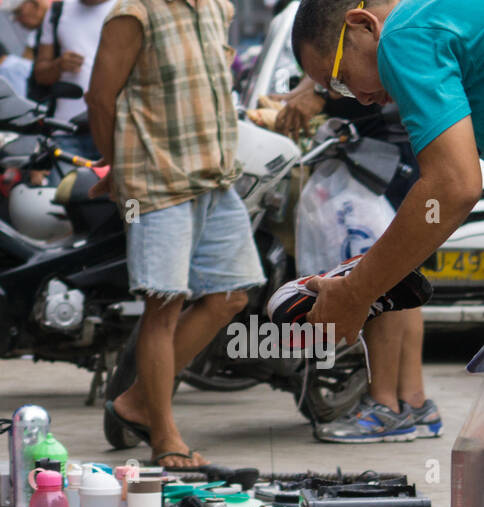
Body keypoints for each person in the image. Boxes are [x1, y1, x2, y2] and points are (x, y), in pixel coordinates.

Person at [88, 0, 265, 469]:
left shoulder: (215, 6)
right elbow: (100, 99)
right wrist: (115, 168)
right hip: (157, 181)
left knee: (230, 297)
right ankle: (163, 434)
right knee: (163, 307)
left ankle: (139, 402)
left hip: (216, 177)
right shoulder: (133, 13)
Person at [290, 0, 482, 416]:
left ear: (362, 24)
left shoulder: (403, 34)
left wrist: (356, 292)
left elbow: (453, 185)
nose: (358, 99)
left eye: (339, 79)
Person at [271, 78, 440, 442]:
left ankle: (384, 407)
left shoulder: (384, 40)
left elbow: (372, 81)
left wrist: (320, 95)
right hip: (399, 154)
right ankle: (414, 401)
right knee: (403, 279)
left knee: (381, 273)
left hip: (382, 160)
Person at [31, 0, 113, 127]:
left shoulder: (127, 8)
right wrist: (59, 65)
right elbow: (40, 75)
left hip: (110, 126)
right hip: (66, 127)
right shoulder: (58, 10)